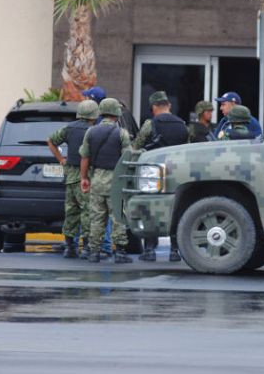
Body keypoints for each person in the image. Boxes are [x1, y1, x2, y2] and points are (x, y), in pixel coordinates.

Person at [132, 91, 188, 262]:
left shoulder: (150, 124)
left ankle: (149, 250)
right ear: (168, 105)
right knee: (177, 208)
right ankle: (174, 250)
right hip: (177, 171)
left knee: (150, 208)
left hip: (154, 172)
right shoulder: (182, 124)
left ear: (154, 107)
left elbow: (136, 146)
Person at [80, 98, 133, 264]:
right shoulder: (122, 133)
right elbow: (127, 158)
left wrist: (84, 178)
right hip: (116, 180)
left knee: (96, 218)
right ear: (116, 114)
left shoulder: (91, 132)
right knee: (118, 216)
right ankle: (120, 252)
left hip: (96, 179)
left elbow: (85, 157)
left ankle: (94, 252)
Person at [47, 100, 100, 259]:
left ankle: (70, 247)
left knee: (71, 212)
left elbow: (50, 141)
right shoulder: (94, 131)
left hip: (70, 176)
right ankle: (87, 248)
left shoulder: (69, 128)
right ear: (94, 115)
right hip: (86, 176)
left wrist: (61, 160)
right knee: (87, 211)